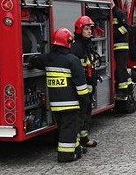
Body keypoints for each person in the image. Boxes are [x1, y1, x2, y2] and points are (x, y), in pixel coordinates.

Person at [29, 28, 90, 163]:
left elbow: (34, 60)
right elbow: (81, 87)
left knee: (66, 128)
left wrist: (31, 60)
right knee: (69, 128)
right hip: (71, 104)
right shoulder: (73, 60)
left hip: (55, 105)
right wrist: (85, 103)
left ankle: (76, 148)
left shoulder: (47, 58)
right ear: (68, 42)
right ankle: (66, 155)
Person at [71, 15, 100, 148]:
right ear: (79, 30)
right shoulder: (76, 47)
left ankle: (84, 138)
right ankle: (76, 142)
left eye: (90, 29)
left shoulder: (87, 45)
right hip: (80, 88)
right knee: (79, 114)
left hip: (88, 86)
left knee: (86, 113)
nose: (89, 31)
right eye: (86, 29)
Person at [112, 0, 133, 96]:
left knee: (120, 69)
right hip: (116, 47)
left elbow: (126, 27)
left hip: (121, 47)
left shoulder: (119, 12)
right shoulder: (110, 12)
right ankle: (129, 86)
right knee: (121, 68)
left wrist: (114, 34)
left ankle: (123, 91)